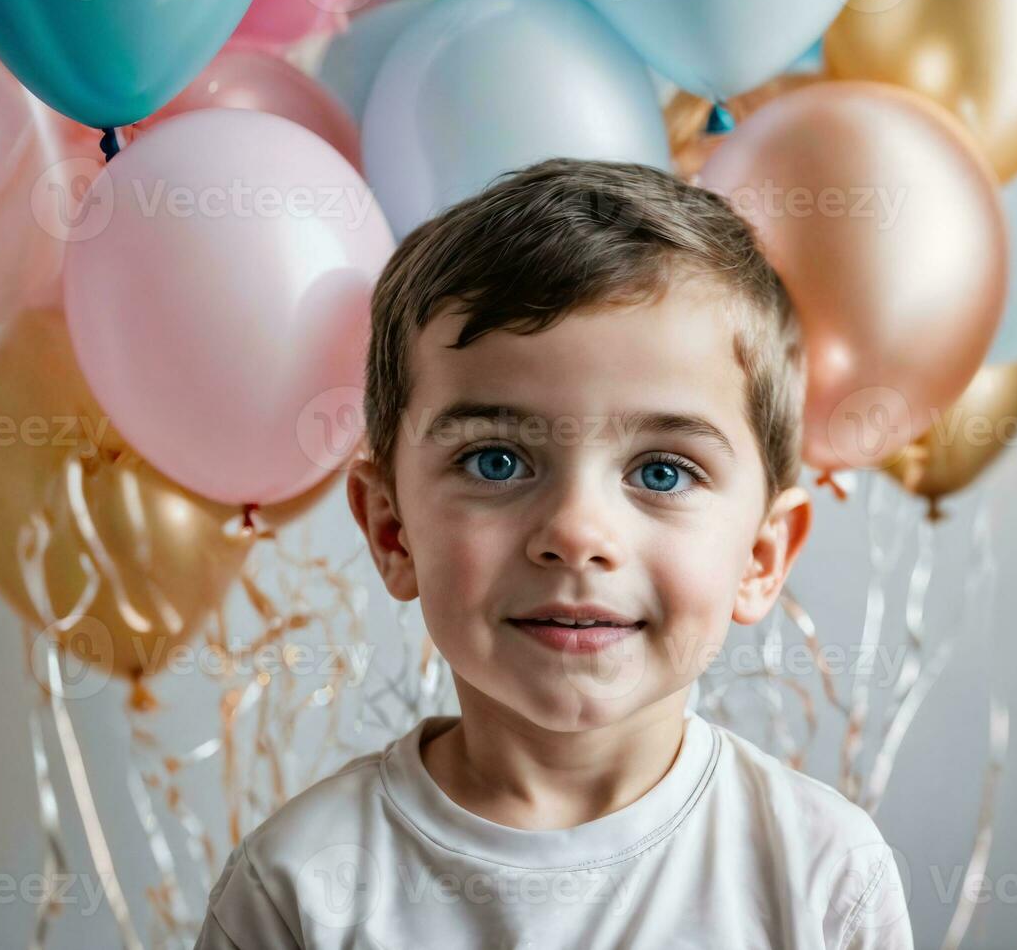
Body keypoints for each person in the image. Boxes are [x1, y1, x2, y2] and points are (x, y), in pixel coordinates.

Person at [195, 158, 913, 949]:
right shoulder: (298, 889)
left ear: (761, 557)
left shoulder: (825, 879)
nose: (576, 531)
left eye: (661, 472)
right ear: (392, 530)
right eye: (495, 461)